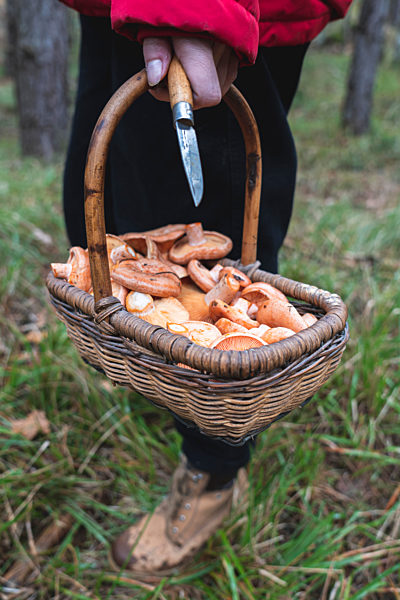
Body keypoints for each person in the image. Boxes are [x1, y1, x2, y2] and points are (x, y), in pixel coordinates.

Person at [59, 0, 352, 574]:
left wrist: (198, 10)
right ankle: (158, 377)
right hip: (118, 7)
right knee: (100, 205)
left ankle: (214, 469)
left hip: (213, 11)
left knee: (205, 196)